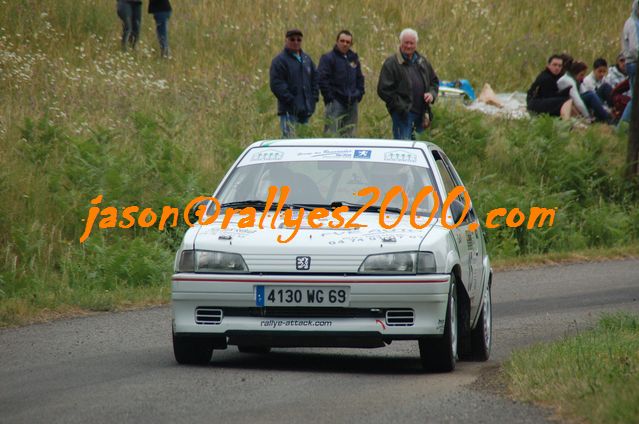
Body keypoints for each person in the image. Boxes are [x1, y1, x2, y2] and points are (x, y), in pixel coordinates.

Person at [377, 28, 439, 140]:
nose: (409, 46)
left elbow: (434, 82)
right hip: (403, 116)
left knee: (419, 150)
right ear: (400, 43)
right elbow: (383, 90)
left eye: (412, 43)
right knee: (403, 151)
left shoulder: (422, 62)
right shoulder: (392, 63)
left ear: (416, 44)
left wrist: (431, 94)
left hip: (421, 115)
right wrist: (400, 107)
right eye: (406, 43)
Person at [269, 29, 319, 138]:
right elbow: (276, 84)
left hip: (305, 110)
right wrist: (291, 100)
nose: (295, 42)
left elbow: (315, 78)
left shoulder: (306, 59)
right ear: (286, 40)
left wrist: (313, 98)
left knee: (304, 142)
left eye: (298, 40)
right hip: (289, 111)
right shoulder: (280, 61)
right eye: (292, 39)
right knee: (289, 142)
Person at [317, 30, 365, 137]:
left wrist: (359, 94)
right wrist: (329, 98)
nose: (345, 44)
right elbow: (322, 79)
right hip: (336, 102)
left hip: (352, 102)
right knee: (331, 134)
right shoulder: (328, 58)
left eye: (348, 42)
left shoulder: (354, 58)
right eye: (342, 41)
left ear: (351, 44)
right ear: (337, 41)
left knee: (350, 135)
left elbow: (360, 77)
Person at [526, 54, 573, 119]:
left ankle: (578, 118)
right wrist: (565, 92)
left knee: (567, 100)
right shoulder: (546, 78)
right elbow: (549, 96)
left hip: (539, 102)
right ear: (548, 65)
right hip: (534, 105)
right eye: (554, 65)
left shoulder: (554, 76)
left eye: (560, 66)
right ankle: (566, 121)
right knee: (567, 100)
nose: (557, 68)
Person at [619, 0, 639, 125]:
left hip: (633, 63)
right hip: (634, 63)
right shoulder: (633, 24)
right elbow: (634, 47)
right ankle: (622, 125)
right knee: (636, 98)